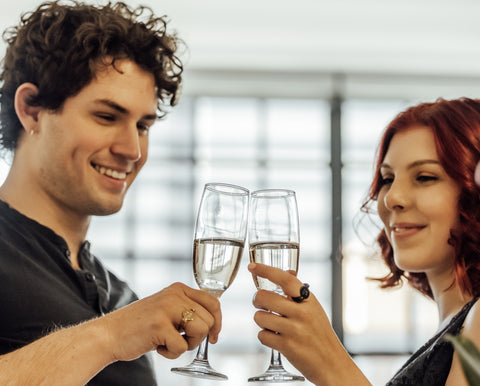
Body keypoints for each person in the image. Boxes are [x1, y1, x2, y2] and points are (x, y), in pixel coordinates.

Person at [0, 1, 221, 385]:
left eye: (143, 125)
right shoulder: (120, 323)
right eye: (106, 116)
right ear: (31, 110)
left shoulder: (119, 295)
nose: (132, 150)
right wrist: (110, 336)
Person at [248, 97, 480, 385]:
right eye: (387, 178)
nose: (393, 197)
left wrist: (331, 364)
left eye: (424, 177)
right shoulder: (453, 329)